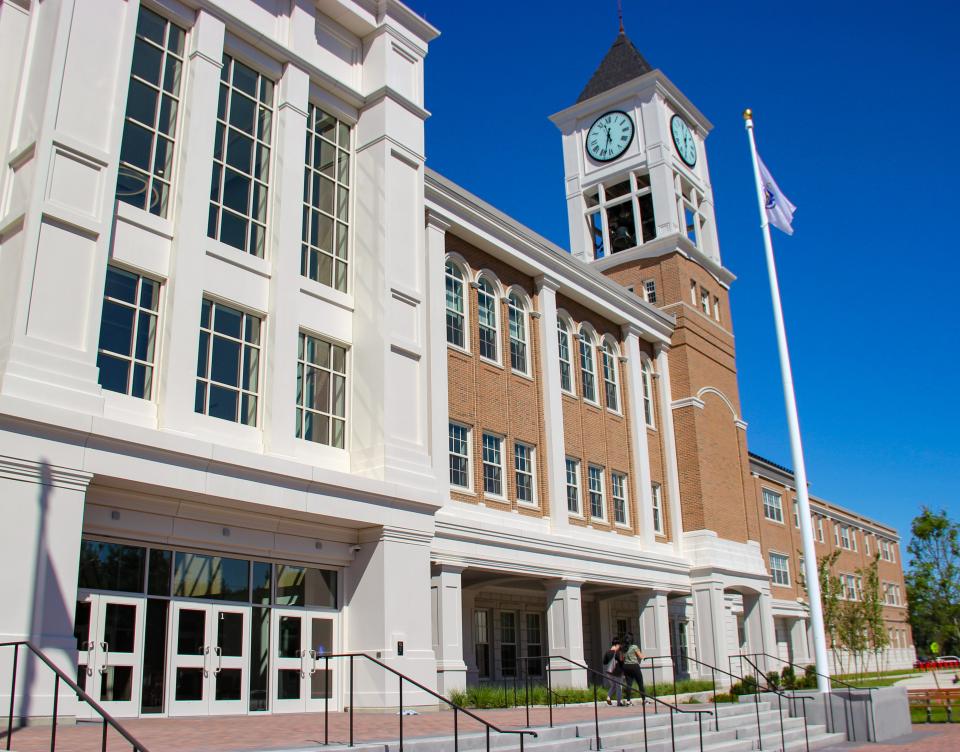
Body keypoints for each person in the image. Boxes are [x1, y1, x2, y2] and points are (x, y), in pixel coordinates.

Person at [621, 633, 646, 705]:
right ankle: (644, 700)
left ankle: (628, 701)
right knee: (640, 683)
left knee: (629, 684)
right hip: (634, 666)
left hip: (626, 666)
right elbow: (641, 656)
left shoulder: (623, 648)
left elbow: (622, 658)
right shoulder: (634, 647)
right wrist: (644, 656)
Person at [602, 636, 626, 706]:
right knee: (618, 687)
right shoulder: (618, 652)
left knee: (613, 686)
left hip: (609, 672)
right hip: (617, 672)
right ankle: (619, 702)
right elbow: (622, 661)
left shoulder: (607, 652)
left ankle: (608, 697)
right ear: (617, 644)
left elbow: (604, 662)